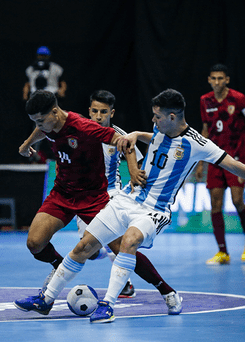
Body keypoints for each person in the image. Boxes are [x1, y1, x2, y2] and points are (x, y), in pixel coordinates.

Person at [18, 88, 245, 323]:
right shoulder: (160, 127)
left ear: (172, 117)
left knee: (127, 243)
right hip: (128, 198)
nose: (153, 121)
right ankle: (46, 299)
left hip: (155, 209)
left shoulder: (198, 144)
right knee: (84, 246)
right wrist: (137, 133)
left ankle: (108, 304)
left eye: (157, 116)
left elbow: (232, 164)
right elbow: (154, 137)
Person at [14, 90, 179, 311]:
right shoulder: (48, 124)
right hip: (61, 194)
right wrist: (27, 144)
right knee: (35, 243)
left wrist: (132, 170)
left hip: (93, 198)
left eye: (41, 120)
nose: (39, 125)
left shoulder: (84, 127)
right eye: (35, 121)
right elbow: (42, 131)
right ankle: (58, 267)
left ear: (55, 112)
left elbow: (124, 141)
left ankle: (166, 290)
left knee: (123, 248)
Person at [76, 90, 145, 298]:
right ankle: (103, 248)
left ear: (111, 113)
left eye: (103, 112)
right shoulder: (79, 131)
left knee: (116, 238)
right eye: (95, 111)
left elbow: (136, 161)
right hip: (85, 196)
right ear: (89, 111)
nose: (98, 116)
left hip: (111, 194)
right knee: (90, 250)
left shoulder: (120, 136)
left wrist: (137, 181)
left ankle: (125, 283)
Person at [196, 64, 245, 265]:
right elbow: (205, 131)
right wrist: (200, 162)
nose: (217, 82)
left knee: (237, 201)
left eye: (220, 78)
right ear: (209, 80)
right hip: (215, 160)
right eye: (213, 78)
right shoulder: (204, 100)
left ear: (227, 80)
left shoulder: (239, 99)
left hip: (236, 158)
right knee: (215, 206)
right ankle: (222, 252)